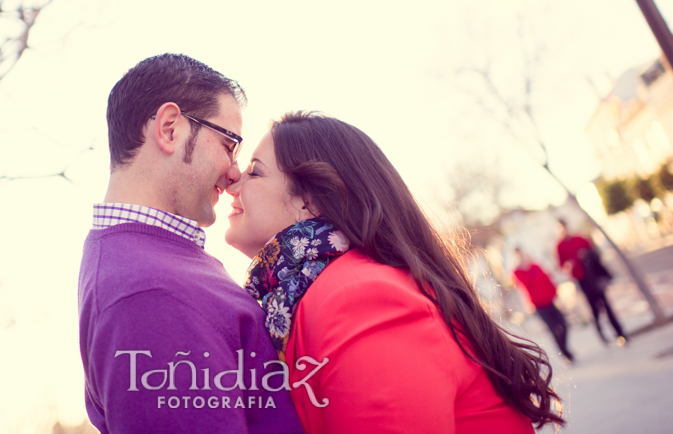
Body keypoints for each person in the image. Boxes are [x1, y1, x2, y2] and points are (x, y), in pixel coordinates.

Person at [225, 112, 564, 434]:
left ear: (309, 201)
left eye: (255, 172)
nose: (232, 182)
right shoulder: (303, 297)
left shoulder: (361, 298)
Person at [77, 54, 304, 434]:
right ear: (169, 129)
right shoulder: (147, 293)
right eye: (229, 144)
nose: (234, 173)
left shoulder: (156, 265)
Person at [555, 218, 626, 345]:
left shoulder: (580, 239)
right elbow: (562, 266)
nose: (564, 230)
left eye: (565, 226)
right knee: (594, 308)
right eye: (561, 228)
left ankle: (620, 333)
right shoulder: (559, 246)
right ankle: (600, 332)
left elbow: (595, 254)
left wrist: (586, 254)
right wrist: (570, 264)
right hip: (582, 280)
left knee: (606, 304)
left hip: (593, 276)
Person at [512, 248, 575, 362]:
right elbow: (526, 284)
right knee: (554, 329)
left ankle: (565, 349)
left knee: (563, 324)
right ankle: (565, 355)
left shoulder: (535, 266)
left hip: (550, 301)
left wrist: (556, 294)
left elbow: (547, 279)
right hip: (538, 305)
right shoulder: (517, 272)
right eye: (519, 256)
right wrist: (526, 268)